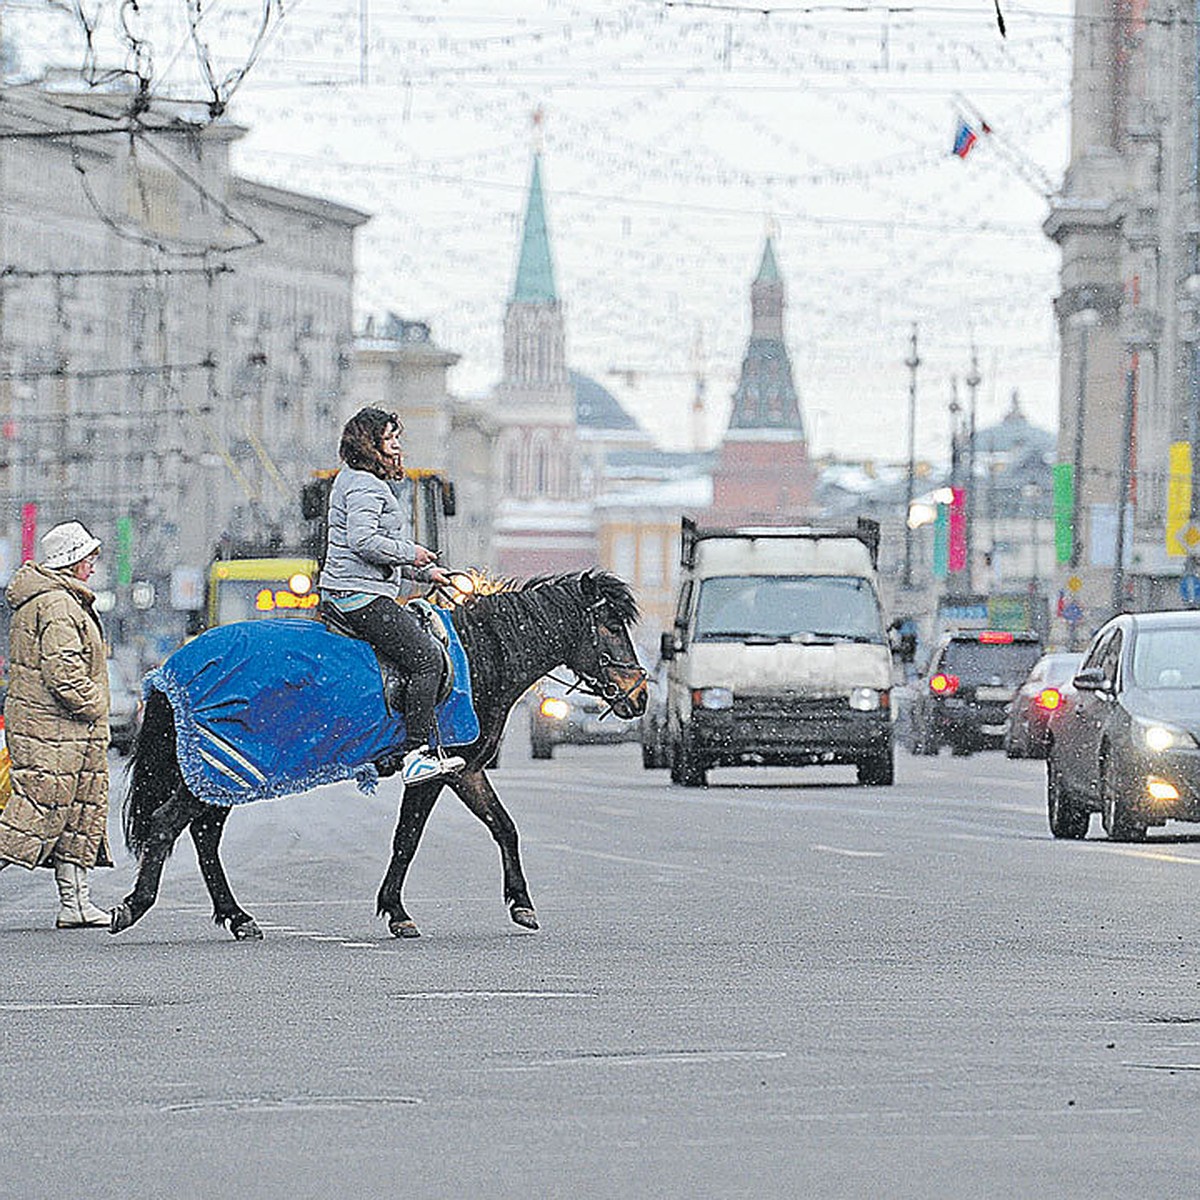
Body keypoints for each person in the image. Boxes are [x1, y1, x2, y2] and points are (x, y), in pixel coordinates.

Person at [318, 407, 465, 786]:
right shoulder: (366, 485)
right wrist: (411, 551)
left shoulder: (355, 481)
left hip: (358, 588)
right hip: (358, 596)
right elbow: (363, 541)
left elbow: (378, 554)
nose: (397, 444)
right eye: (389, 437)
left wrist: (426, 572)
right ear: (370, 444)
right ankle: (415, 754)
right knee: (428, 660)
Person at [0, 521, 112, 927]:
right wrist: (96, 703)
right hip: (54, 729)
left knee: (77, 817)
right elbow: (64, 673)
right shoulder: (59, 605)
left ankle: (76, 904)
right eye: (89, 558)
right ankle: (75, 903)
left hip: (66, 731)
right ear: (72, 561)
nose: (94, 565)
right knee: (34, 815)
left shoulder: (59, 600)